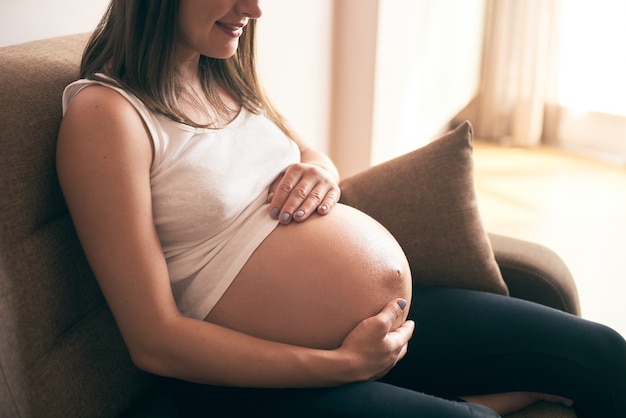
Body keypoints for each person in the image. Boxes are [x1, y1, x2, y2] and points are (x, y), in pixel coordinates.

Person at [56, 1, 626, 417]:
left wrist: (321, 170)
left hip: (385, 329)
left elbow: (304, 151)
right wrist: (343, 366)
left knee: (602, 354)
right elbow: (153, 338)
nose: (254, 9)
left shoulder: (218, 72)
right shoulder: (106, 114)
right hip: (252, 376)